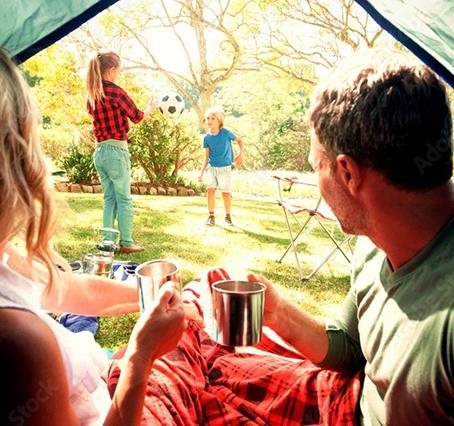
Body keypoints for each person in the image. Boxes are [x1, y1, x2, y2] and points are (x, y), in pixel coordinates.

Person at [86, 51, 155, 254]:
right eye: (118, 70)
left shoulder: (92, 95)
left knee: (109, 199)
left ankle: (108, 242)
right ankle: (126, 242)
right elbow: (137, 116)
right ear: (111, 70)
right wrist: (150, 108)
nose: (118, 74)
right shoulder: (116, 92)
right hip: (116, 151)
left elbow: (107, 120)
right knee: (124, 198)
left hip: (100, 152)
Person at [198, 106, 244, 226]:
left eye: (213, 118)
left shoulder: (226, 133)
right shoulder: (206, 138)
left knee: (225, 193)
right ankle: (211, 216)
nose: (209, 120)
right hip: (212, 168)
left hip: (225, 168)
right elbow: (206, 157)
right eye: (208, 118)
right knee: (210, 191)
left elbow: (240, 141)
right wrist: (201, 173)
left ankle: (228, 217)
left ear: (219, 121)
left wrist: (240, 155)